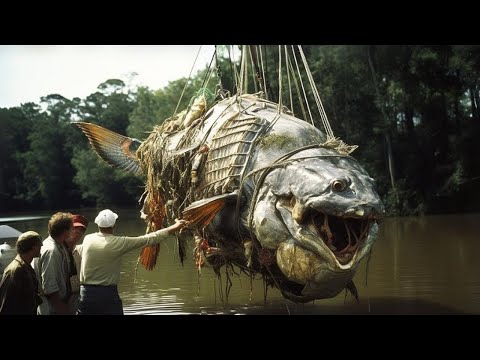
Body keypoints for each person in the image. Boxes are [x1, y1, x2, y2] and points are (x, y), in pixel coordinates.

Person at [77, 209, 187, 315]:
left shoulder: (88, 239)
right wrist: (176, 226)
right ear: (114, 225)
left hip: (85, 293)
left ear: (97, 224)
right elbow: (150, 238)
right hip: (107, 295)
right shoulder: (119, 242)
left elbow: (77, 251)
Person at [34, 212, 74, 315]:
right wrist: (62, 309)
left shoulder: (57, 245)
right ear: (65, 231)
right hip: (51, 308)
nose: (73, 231)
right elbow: (49, 286)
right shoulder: (52, 250)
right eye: (71, 228)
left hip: (54, 305)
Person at [0, 231, 43, 315]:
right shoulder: (16, 270)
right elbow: (6, 304)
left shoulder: (26, 267)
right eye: (39, 245)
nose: (41, 247)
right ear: (33, 247)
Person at [64, 214, 88, 313]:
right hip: (59, 297)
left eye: (81, 229)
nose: (78, 231)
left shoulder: (82, 250)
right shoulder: (56, 250)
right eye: (75, 228)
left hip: (77, 296)